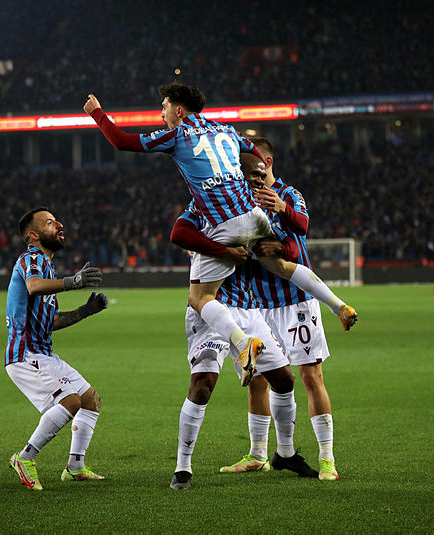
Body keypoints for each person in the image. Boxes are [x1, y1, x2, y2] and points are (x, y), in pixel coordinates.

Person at [83, 82, 357, 387]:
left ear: (178, 110)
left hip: (223, 223)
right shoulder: (225, 130)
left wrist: (97, 113)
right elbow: (254, 150)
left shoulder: (177, 134)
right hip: (252, 213)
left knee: (200, 298)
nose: (161, 115)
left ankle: (242, 344)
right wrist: (241, 174)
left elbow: (121, 141)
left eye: (163, 108)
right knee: (280, 266)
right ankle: (338, 306)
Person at [167, 201, 318, 490]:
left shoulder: (254, 212)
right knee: (202, 384)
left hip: (247, 309)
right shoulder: (206, 204)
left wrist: (277, 248)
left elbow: (292, 249)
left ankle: (284, 453)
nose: (256, 181)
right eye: (252, 175)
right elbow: (179, 234)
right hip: (211, 308)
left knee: (284, 380)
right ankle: (183, 467)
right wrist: (222, 250)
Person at [219, 138, 339, 480]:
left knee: (310, 377)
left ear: (267, 161)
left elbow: (301, 232)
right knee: (258, 380)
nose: (250, 173)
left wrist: (282, 212)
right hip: (256, 305)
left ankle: (327, 458)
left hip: (294, 303)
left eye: (254, 164)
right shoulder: (238, 198)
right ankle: (258, 454)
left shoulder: (288, 193)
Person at [5, 207, 109, 491]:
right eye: (50, 223)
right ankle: (25, 458)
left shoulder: (47, 266)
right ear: (33, 235)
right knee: (71, 401)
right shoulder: (32, 258)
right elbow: (35, 286)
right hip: (24, 355)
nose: (59, 224)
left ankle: (75, 467)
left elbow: (49, 321)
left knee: (90, 400)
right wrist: (73, 281)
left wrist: (85, 311)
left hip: (43, 353)